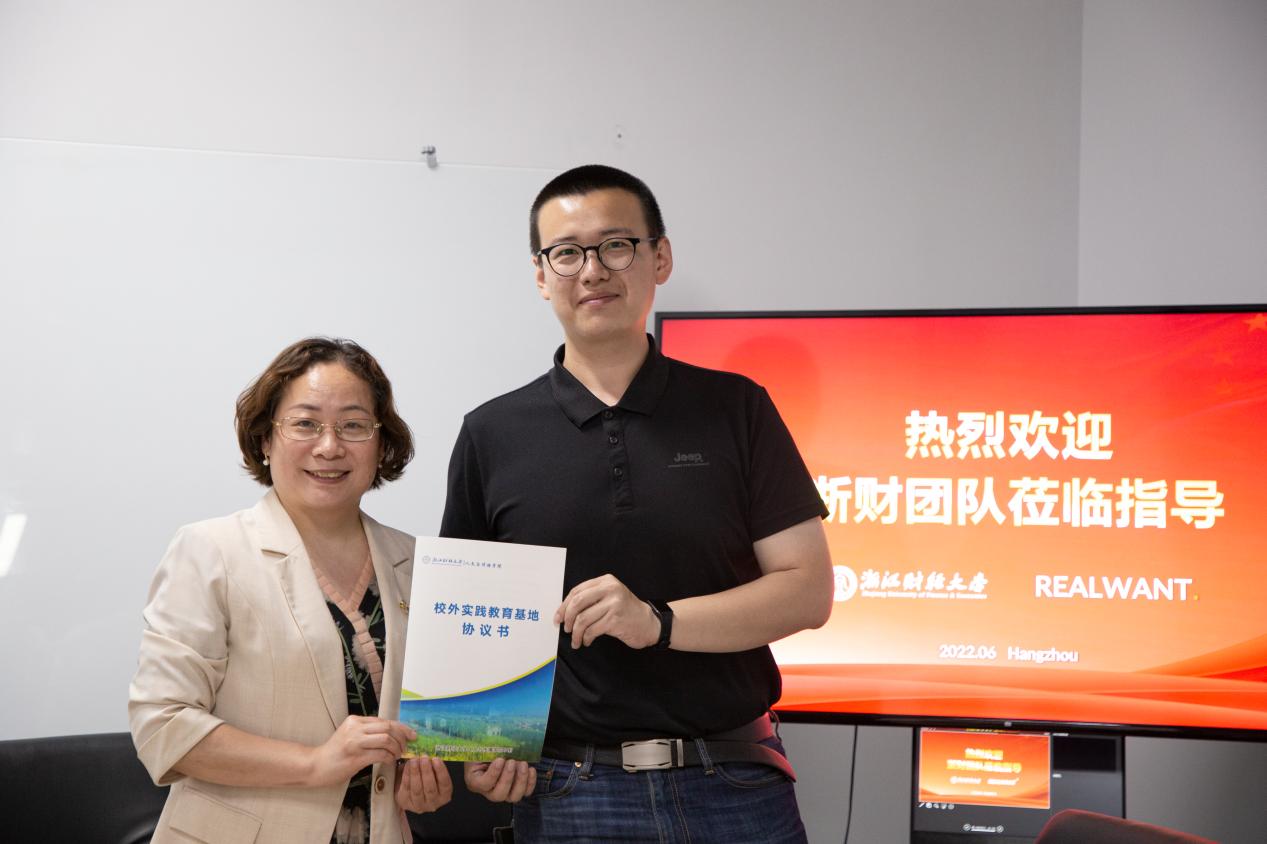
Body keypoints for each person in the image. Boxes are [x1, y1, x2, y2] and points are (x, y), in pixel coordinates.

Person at [443, 165, 834, 842]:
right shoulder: (491, 433)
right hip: (569, 789)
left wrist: (657, 621)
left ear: (660, 258)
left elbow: (807, 592)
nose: (592, 270)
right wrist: (476, 751)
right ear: (541, 276)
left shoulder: (736, 408)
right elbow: (466, 615)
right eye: (566, 253)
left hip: (735, 780)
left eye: (616, 245)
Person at [130, 337, 453, 843]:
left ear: (381, 442)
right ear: (265, 439)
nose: (330, 446)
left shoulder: (417, 562)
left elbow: (422, 731)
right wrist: (314, 763)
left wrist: (423, 780)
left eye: (353, 425)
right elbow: (163, 725)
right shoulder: (211, 550)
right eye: (305, 424)